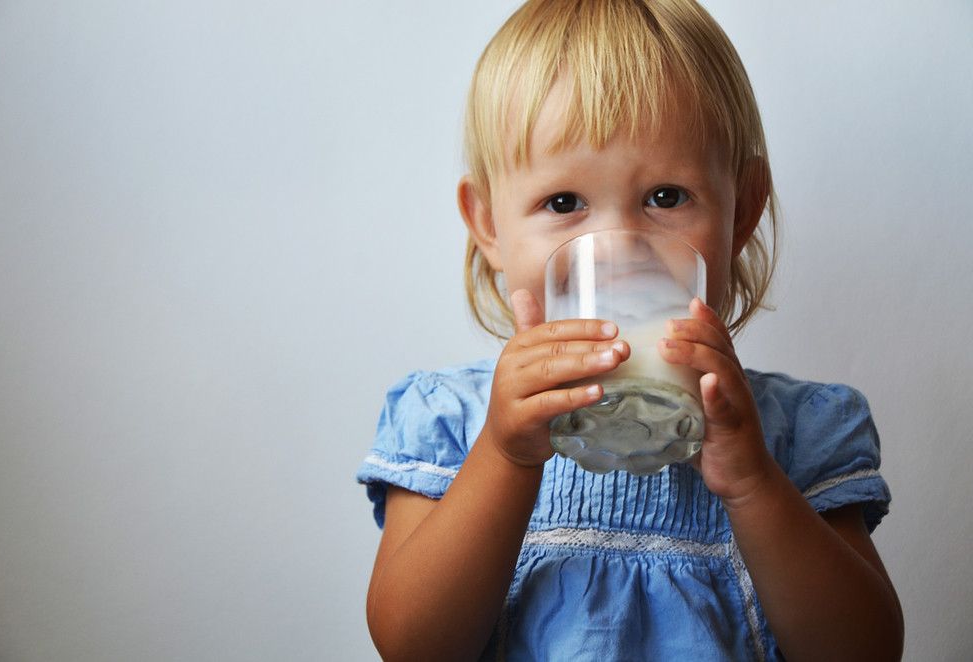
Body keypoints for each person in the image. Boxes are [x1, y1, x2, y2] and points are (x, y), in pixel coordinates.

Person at [356, 1, 904, 659]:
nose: (617, 249)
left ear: (741, 211)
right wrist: (505, 456)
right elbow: (413, 646)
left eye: (666, 196)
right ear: (489, 224)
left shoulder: (798, 432)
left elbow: (864, 650)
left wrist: (754, 482)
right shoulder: (450, 421)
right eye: (564, 202)